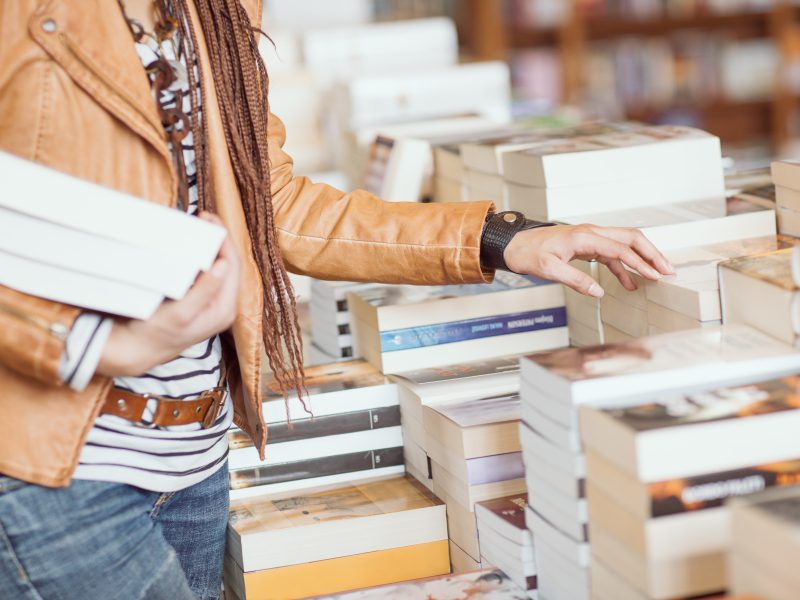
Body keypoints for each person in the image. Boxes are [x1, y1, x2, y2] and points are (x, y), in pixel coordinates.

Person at [0, 1, 673, 598]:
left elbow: (272, 204)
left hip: (194, 458)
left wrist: (501, 239)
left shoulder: (215, 9)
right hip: (56, 468)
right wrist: (101, 343)